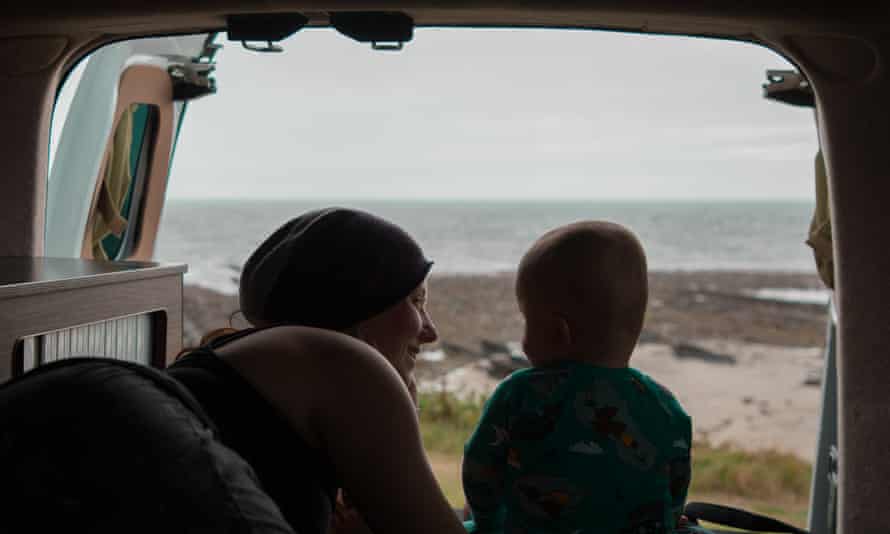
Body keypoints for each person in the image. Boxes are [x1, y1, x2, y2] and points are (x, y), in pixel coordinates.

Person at [167, 207, 466, 534]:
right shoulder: (344, 365)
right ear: (360, 302)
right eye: (416, 302)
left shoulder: (239, 361)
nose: (431, 332)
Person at [461, 221, 692, 534]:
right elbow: (674, 493)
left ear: (559, 332)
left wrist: (487, 523)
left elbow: (478, 474)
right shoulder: (666, 406)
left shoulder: (520, 394)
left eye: (527, 321)